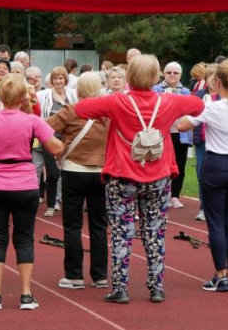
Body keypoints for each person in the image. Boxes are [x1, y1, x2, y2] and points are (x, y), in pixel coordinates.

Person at [74, 54, 204, 304]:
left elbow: (81, 109)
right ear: (156, 76)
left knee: (122, 233)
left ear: (129, 77)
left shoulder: (116, 101)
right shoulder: (169, 101)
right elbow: (198, 107)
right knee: (155, 232)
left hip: (122, 175)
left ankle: (120, 288)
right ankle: (156, 287)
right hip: (159, 177)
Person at [0, 74, 63, 310]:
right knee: (24, 238)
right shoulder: (32, 121)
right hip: (25, 184)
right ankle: (26, 294)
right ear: (23, 98)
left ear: (0, 96)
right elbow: (57, 148)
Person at [177, 61, 228, 292]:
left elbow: (183, 126)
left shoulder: (211, 107)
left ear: (218, 82)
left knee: (216, 222)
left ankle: (221, 274)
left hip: (216, 163)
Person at [46, 72, 109, 290]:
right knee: (99, 225)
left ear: (78, 89)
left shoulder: (71, 110)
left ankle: (74, 275)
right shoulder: (108, 113)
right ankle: (100, 275)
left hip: (74, 170)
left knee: (72, 225)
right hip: (101, 171)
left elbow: (45, 128)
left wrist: (59, 147)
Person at [36, 67, 78, 216]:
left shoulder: (74, 95)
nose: (58, 81)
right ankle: (51, 204)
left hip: (69, 138)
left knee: (68, 172)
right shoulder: (42, 95)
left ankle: (68, 203)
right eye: (55, 78)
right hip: (50, 137)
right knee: (53, 172)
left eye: (61, 78)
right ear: (51, 81)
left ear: (66, 80)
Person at [153, 62, 191, 209]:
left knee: (180, 166)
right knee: (161, 164)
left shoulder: (186, 91)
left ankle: (175, 196)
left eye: (176, 73)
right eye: (169, 72)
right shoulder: (156, 89)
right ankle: (160, 193)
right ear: (164, 73)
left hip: (181, 134)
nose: (172, 75)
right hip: (162, 134)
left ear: (180, 75)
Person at [192, 64, 218, 221]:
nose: (213, 80)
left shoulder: (225, 97)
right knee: (202, 174)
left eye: (216, 77)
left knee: (217, 175)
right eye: (210, 77)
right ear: (206, 79)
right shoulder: (200, 94)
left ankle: (216, 207)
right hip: (202, 141)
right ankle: (203, 207)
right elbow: (192, 113)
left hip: (219, 142)